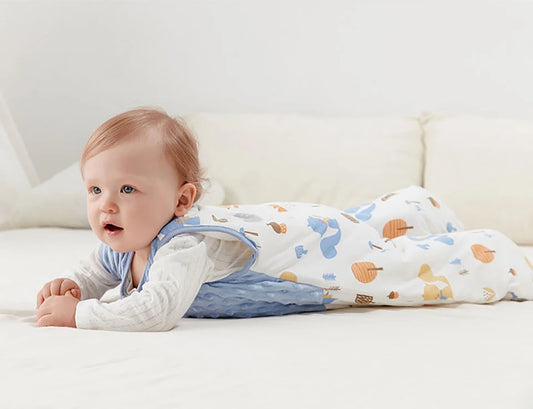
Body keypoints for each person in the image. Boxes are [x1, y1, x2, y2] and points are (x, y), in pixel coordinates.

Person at [36, 108, 533, 331]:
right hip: (297, 226)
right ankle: (415, 209)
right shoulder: (127, 239)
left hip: (312, 255)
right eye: (95, 190)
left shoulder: (183, 248)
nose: (107, 206)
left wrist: (79, 316)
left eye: (127, 190)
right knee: (363, 226)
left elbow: (157, 311)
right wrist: (73, 287)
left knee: (394, 267)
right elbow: (98, 269)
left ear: (182, 201)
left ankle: (491, 254)